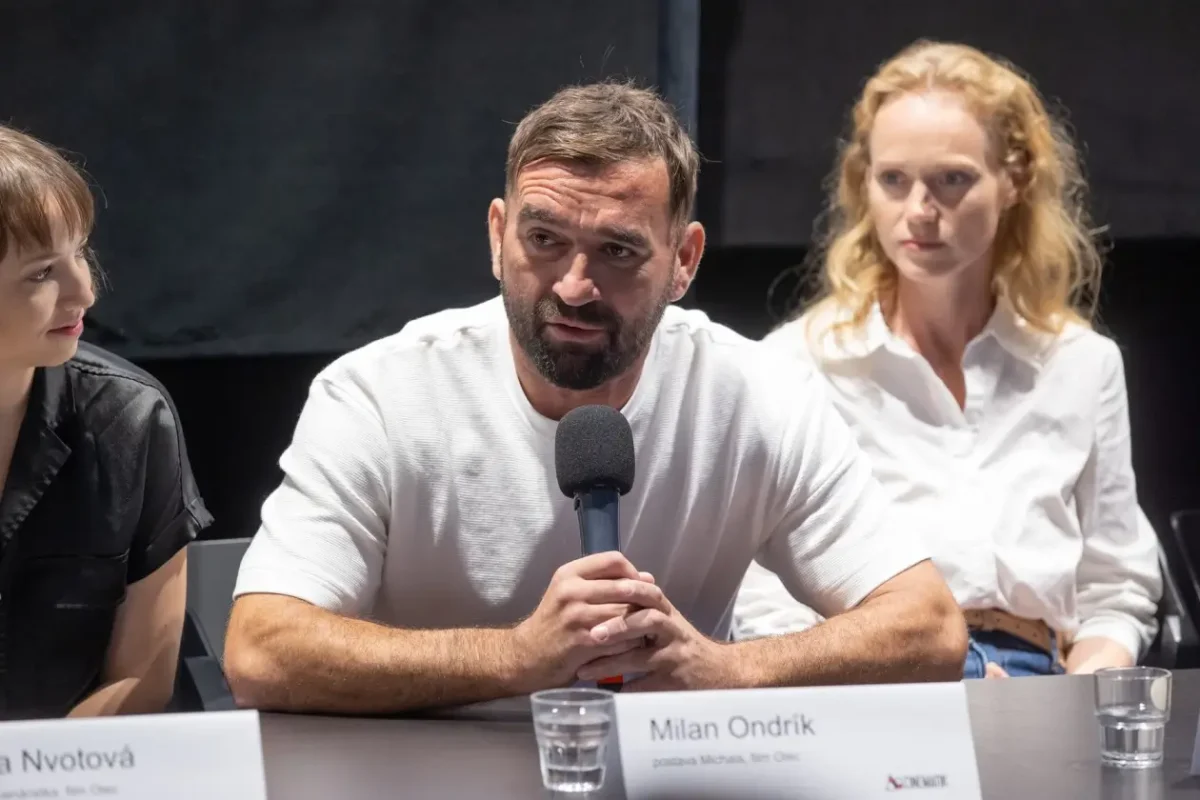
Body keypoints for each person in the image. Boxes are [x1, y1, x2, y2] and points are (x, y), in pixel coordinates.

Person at [223, 81, 966, 715]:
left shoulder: (756, 394)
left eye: (617, 251)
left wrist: (725, 668)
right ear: (498, 236)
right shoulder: (379, 396)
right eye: (544, 239)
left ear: (683, 260)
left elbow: (929, 629)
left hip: (671, 773)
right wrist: (516, 658)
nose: (575, 286)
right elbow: (261, 649)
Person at [735, 41, 1162, 678]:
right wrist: (876, 688)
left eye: (952, 180)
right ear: (864, 183)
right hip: (871, 680)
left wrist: (1079, 695)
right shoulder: (800, 363)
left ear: (1014, 180)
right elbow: (762, 597)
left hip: (1038, 678)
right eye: (893, 180)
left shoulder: (1081, 364)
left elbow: (1117, 584)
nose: (919, 211)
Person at [0, 126, 212, 719]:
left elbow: (143, 677)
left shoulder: (130, 418)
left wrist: (31, 765)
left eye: (81, 253)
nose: (85, 292)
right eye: (42, 272)